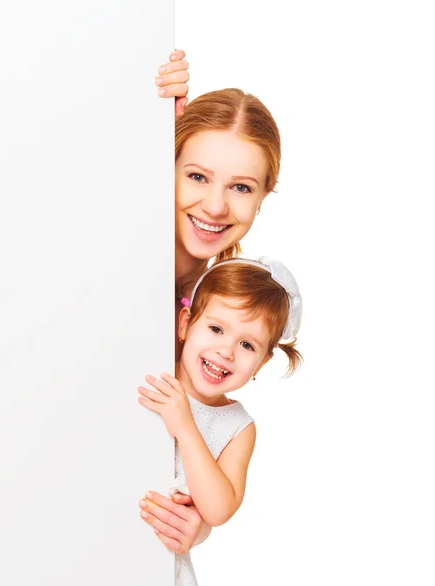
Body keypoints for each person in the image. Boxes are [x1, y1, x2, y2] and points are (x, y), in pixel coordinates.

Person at [138, 50, 285, 558]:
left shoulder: (216, 298)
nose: (217, 206)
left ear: (265, 195)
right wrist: (140, 105)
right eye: (197, 176)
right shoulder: (134, 246)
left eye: (241, 187)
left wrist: (195, 522)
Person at [138, 257, 303, 585]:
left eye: (246, 345)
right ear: (185, 324)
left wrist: (185, 427)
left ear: (261, 362)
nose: (226, 351)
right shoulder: (152, 368)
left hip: (159, 561)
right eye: (216, 328)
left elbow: (217, 510)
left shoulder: (238, 427)